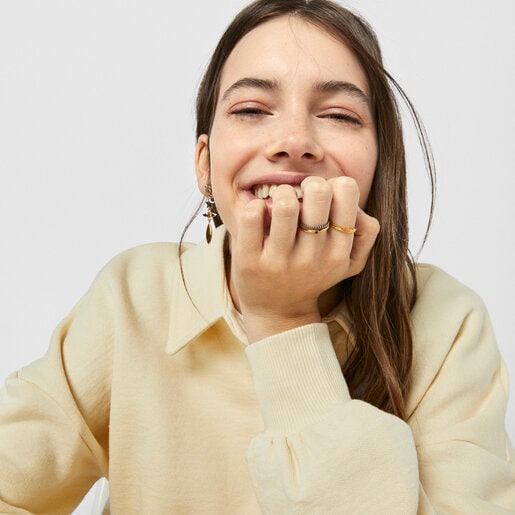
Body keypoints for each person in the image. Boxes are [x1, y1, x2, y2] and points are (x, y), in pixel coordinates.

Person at [1, 0, 514, 512]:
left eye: (338, 114)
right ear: (205, 166)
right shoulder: (132, 297)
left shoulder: (448, 322)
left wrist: (284, 318)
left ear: (380, 165)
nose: (294, 142)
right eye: (250, 110)